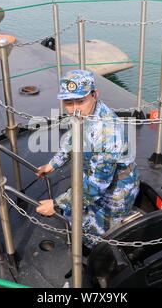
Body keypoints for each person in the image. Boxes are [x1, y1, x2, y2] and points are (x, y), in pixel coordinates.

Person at [35, 70, 140, 250]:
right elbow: (72, 138)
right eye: (68, 102)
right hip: (93, 180)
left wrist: (57, 204)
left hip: (116, 189)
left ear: (95, 95)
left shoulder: (108, 132)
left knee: (95, 239)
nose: (74, 108)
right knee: (75, 216)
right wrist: (54, 163)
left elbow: (97, 185)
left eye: (80, 101)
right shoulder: (85, 113)